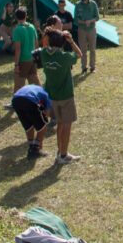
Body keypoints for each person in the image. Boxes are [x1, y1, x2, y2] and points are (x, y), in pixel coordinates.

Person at [41, 29, 84, 164]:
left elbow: (44, 46)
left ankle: (60, 152)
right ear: (62, 43)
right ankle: (63, 155)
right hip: (65, 96)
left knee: (60, 124)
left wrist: (48, 35)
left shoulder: (43, 54)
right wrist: (71, 41)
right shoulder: (65, 57)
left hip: (51, 96)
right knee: (66, 126)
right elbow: (79, 54)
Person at [11, 84, 52, 159]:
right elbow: (47, 112)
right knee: (43, 126)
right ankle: (36, 148)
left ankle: (31, 146)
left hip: (15, 100)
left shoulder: (35, 88)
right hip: (30, 100)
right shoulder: (46, 94)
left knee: (28, 125)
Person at [12, 7, 41, 92]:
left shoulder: (17, 30)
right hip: (32, 59)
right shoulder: (32, 27)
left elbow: (18, 49)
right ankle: (43, 100)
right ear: (26, 16)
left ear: (16, 17)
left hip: (23, 60)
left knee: (18, 85)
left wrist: (16, 65)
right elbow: (36, 44)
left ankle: (16, 104)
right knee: (35, 83)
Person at [74, 0, 99, 74]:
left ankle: (92, 67)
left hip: (92, 29)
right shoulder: (77, 4)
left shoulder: (93, 4)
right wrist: (84, 22)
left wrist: (90, 21)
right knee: (83, 50)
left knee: (92, 49)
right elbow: (76, 19)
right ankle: (84, 67)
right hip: (82, 30)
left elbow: (97, 17)